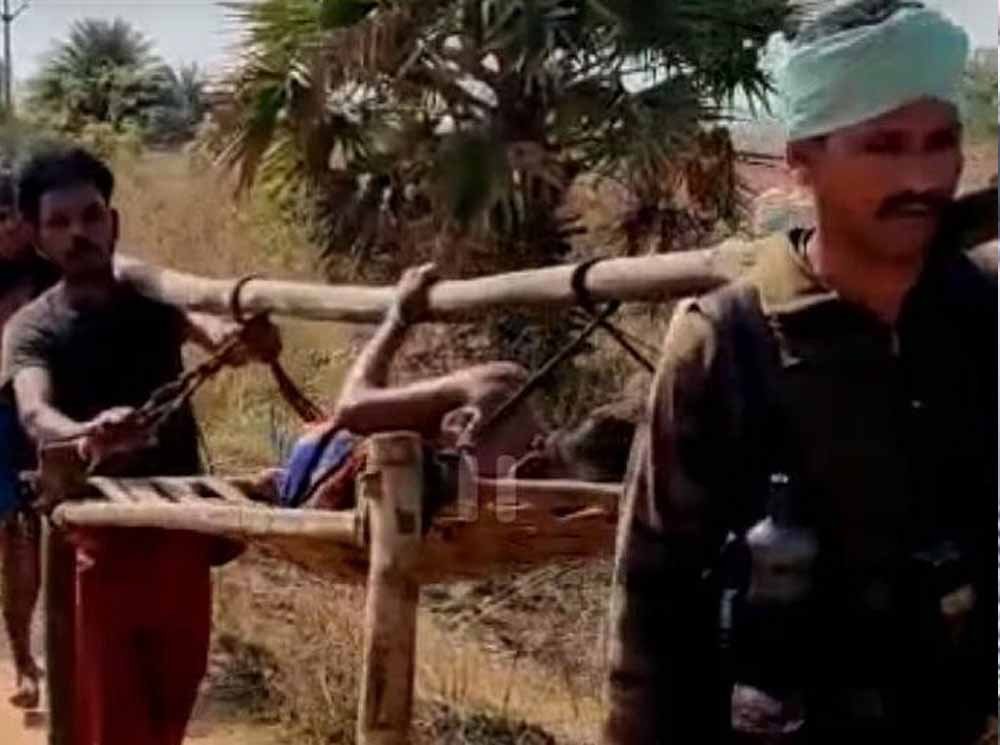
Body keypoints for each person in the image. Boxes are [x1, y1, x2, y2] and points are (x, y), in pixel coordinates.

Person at [604, 3, 996, 744]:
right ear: (802, 161)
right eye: (882, 146)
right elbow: (652, 610)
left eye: (940, 142)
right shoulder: (728, 341)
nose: (920, 176)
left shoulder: (981, 319)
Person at [1, 146, 279, 745]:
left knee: (167, 716)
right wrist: (85, 432)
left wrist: (250, 341)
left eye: (91, 215)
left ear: (114, 221)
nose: (79, 233)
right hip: (96, 545)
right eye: (59, 223)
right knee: (110, 721)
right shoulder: (32, 328)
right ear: (39, 239)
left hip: (181, 531)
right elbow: (35, 412)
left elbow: (220, 339)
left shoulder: (155, 299)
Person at [257, 263, 635, 513]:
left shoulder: (547, 520)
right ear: (534, 465)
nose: (562, 518)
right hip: (324, 468)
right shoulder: (498, 393)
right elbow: (353, 409)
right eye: (564, 506)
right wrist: (399, 318)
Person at [0, 170, 56, 709]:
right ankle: (22, 659)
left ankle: (28, 661)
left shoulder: (52, 271)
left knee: (28, 536)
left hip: (42, 418)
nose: (8, 229)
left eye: (13, 218)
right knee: (15, 538)